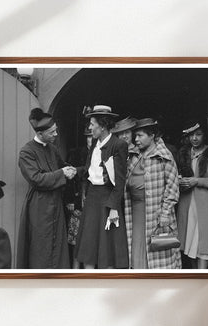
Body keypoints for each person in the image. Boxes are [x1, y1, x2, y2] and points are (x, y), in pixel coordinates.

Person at [17, 108, 76, 269]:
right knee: (40, 247)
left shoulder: (52, 149)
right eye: (52, 132)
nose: (56, 135)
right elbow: (36, 179)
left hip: (56, 204)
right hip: (39, 206)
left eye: (55, 130)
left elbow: (63, 167)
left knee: (57, 245)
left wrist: (75, 170)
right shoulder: (26, 152)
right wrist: (62, 173)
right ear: (40, 134)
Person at [75, 105, 129, 269]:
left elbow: (120, 181)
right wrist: (73, 171)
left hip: (108, 201)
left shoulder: (118, 145)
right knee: (88, 247)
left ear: (103, 125)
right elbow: (90, 170)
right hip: (92, 199)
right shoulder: (94, 144)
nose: (90, 127)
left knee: (108, 249)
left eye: (92, 124)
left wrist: (113, 207)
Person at [124, 118, 181, 269]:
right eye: (135, 136)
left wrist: (165, 213)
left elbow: (173, 186)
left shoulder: (164, 156)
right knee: (136, 245)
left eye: (140, 136)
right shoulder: (133, 156)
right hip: (135, 211)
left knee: (157, 252)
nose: (136, 140)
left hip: (156, 214)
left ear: (152, 136)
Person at [177, 119, 208, 269]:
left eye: (199, 134)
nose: (194, 138)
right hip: (186, 203)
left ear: (205, 135)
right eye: (191, 135)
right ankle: (194, 275)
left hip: (205, 205)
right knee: (188, 243)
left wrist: (197, 181)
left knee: (202, 244)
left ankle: (203, 275)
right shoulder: (183, 153)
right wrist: (179, 180)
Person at [64, 127, 93, 268]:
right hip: (77, 201)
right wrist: (70, 199)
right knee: (76, 238)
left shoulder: (102, 153)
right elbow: (69, 178)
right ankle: (75, 270)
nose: (91, 140)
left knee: (91, 240)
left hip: (93, 201)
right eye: (88, 137)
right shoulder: (76, 154)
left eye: (93, 137)